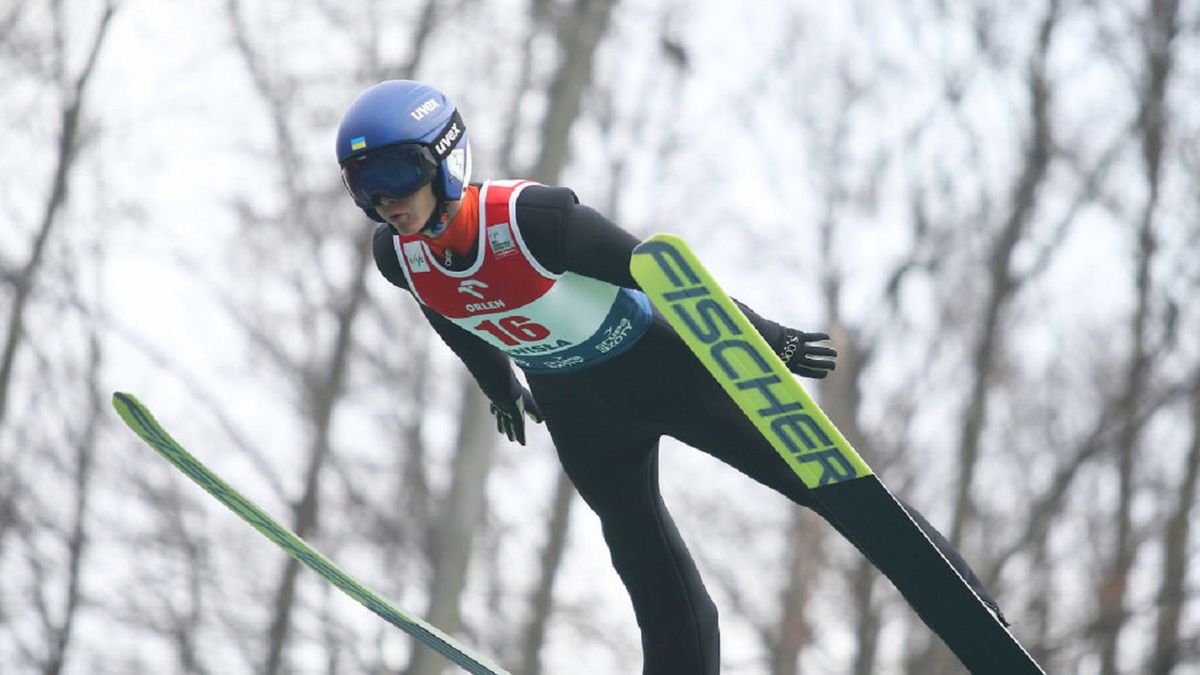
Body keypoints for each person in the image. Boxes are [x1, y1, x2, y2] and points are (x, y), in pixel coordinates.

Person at [336, 79, 1003, 674]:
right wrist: (498, 384)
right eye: (366, 186)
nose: (385, 200)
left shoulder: (533, 220)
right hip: (576, 408)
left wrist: (771, 341)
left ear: (445, 155)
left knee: (827, 487)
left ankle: (974, 612)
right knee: (645, 563)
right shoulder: (399, 257)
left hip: (661, 366)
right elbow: (451, 313)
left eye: (397, 172)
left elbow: (669, 279)